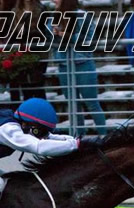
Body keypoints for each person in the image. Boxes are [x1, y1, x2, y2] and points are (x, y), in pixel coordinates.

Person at [53, 0, 107, 135]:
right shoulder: (53, 16)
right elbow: (50, 40)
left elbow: (90, 38)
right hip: (64, 65)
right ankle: (79, 139)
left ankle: (104, 137)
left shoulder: (83, 15)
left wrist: (68, 36)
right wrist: (54, 35)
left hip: (83, 64)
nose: (53, 0)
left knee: (92, 103)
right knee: (73, 106)